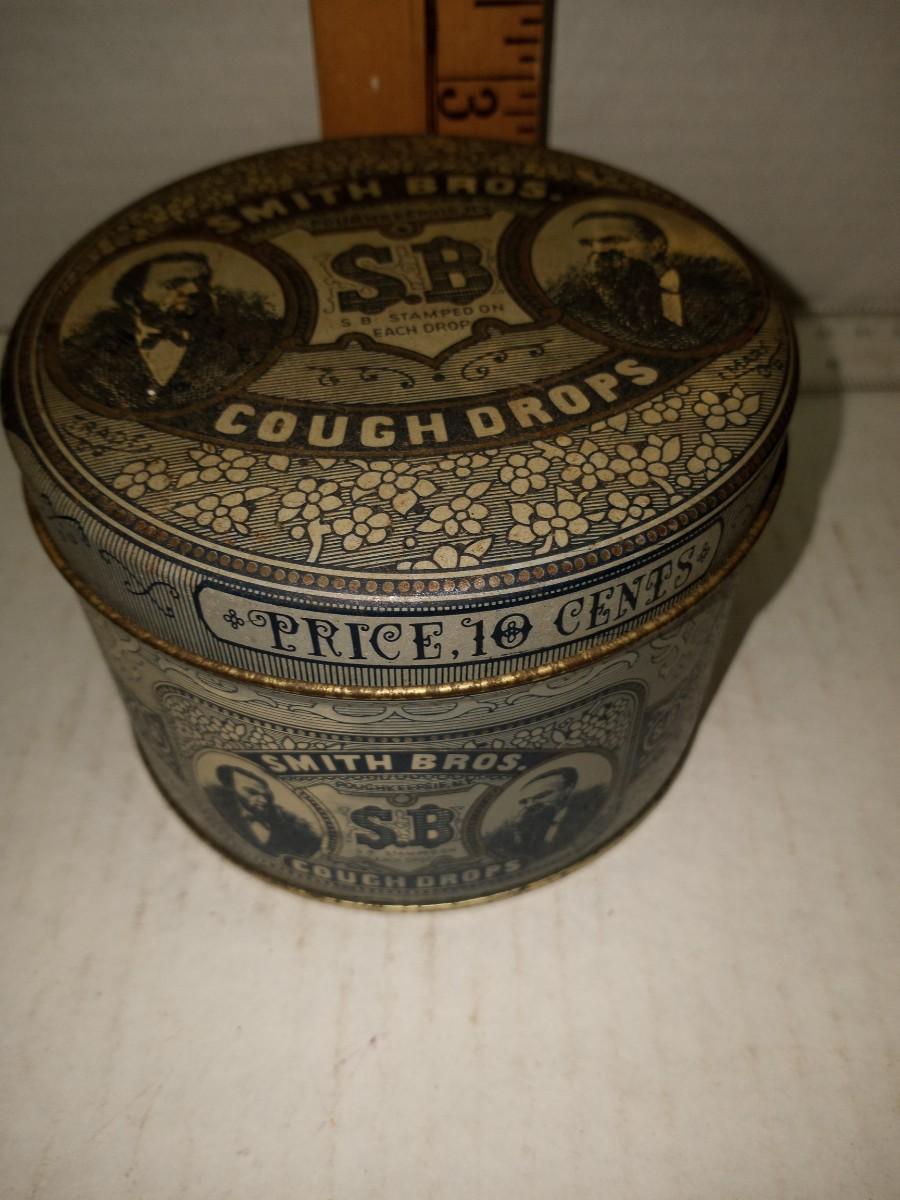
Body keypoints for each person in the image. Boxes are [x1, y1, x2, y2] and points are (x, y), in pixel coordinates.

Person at [60, 250, 281, 409]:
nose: (193, 290)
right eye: (174, 284)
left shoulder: (243, 346)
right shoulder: (90, 356)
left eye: (201, 282)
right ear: (132, 297)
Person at [548, 210, 758, 351]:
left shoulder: (725, 295)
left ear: (657, 246)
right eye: (587, 244)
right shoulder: (579, 309)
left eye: (613, 240)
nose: (598, 250)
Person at [484, 766, 601, 861]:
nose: (530, 805)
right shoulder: (519, 830)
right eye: (524, 801)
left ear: (568, 790)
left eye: (541, 795)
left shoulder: (584, 816)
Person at [205, 764, 322, 858]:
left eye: (266, 796)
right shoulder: (216, 801)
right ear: (231, 788)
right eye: (252, 792)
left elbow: (310, 840)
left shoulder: (282, 817)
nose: (263, 800)